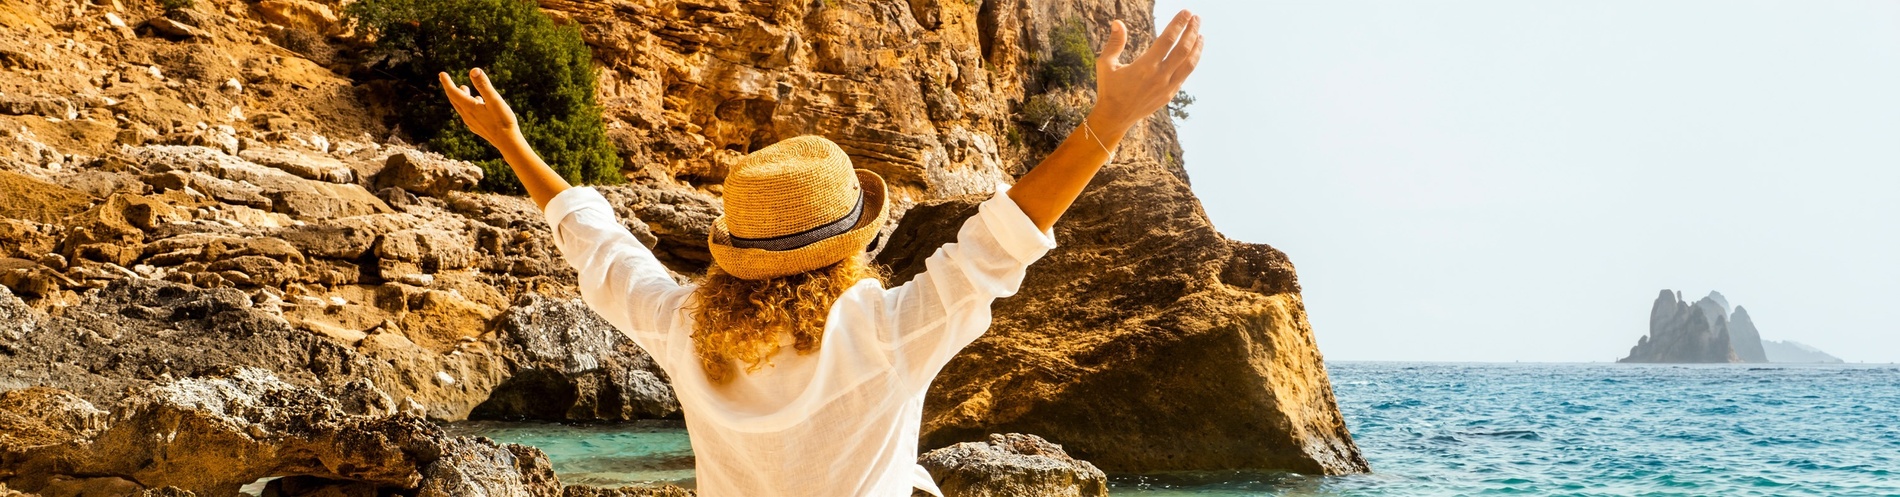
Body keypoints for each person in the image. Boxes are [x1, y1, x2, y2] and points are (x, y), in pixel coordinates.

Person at [437, 10, 1202, 497]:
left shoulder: (686, 327)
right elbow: (999, 241)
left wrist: (512, 143)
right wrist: (1108, 121)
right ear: (850, 246)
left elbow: (601, 249)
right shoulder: (885, 335)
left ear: (740, 248)